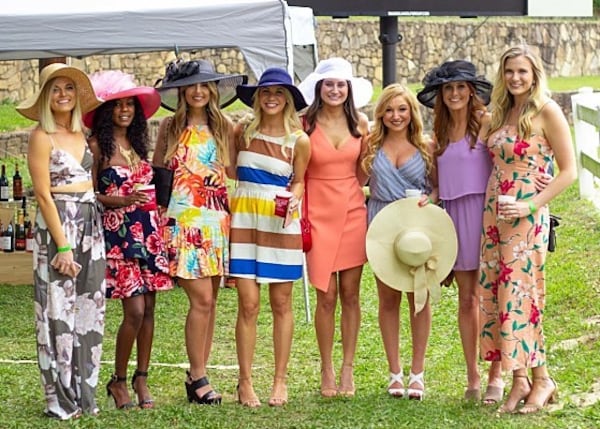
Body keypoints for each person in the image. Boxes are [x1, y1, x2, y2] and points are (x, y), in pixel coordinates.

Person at [479, 44, 576, 414]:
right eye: (509, 72)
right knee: (500, 298)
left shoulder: (547, 111)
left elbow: (568, 171)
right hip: (494, 214)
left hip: (525, 215)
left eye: (522, 71)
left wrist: (531, 203)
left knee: (523, 298)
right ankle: (519, 379)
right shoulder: (502, 111)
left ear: (534, 73)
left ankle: (544, 379)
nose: (515, 78)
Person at [153, 59, 246, 405]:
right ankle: (197, 375)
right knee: (201, 300)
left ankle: (198, 374)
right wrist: (161, 224)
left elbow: (233, 170)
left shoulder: (225, 127)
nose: (197, 91)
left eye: (204, 85)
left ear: (213, 90)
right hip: (183, 222)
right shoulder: (169, 127)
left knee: (212, 302)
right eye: (191, 85)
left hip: (216, 221)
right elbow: (159, 175)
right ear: (180, 91)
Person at [16, 63, 106, 420]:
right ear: (44, 96)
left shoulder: (82, 133)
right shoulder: (42, 136)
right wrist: (63, 246)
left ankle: (85, 392)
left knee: (90, 306)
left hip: (89, 221)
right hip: (59, 226)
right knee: (57, 307)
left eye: (69, 88)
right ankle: (59, 396)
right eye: (55, 89)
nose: (63, 95)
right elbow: (42, 193)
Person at [416, 60, 504, 402]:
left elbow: (508, 159)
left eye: (460, 87)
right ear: (441, 95)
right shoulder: (436, 136)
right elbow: (439, 185)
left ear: (471, 91)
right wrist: (427, 202)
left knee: (492, 298)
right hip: (454, 218)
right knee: (467, 300)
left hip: (487, 214)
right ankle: (473, 377)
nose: (454, 94)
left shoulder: (485, 122)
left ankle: (497, 374)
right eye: (448, 88)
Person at [85, 70, 173, 409]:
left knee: (149, 307)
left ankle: (142, 377)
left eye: (130, 105)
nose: (125, 110)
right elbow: (89, 194)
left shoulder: (138, 144)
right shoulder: (95, 146)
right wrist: (119, 201)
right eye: (118, 105)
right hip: (118, 236)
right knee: (134, 310)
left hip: (149, 232)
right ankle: (119, 380)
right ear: (107, 111)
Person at [230, 67, 310, 407]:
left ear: (288, 99)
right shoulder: (242, 132)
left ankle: (280, 380)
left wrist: (295, 196)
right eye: (266, 92)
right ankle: (245, 382)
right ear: (258, 98)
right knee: (248, 303)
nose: (272, 98)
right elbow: (232, 171)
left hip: (280, 224)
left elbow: (300, 181)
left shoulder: (299, 140)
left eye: (279, 93)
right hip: (245, 221)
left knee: (281, 303)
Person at [297, 57, 372, 397]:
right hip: (317, 214)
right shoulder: (304, 124)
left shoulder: (361, 123)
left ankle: (347, 370)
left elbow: (364, 172)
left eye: (341, 84)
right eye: (329, 84)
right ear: (318, 87)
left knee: (351, 294)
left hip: (353, 211)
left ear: (349, 89)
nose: (335, 90)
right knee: (325, 297)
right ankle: (326, 368)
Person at [361, 83, 434, 400]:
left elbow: (438, 188)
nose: (395, 115)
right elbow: (355, 181)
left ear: (411, 113)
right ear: (381, 114)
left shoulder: (426, 146)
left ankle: (417, 374)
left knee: (419, 299)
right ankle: (395, 373)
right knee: (387, 298)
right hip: (380, 224)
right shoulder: (370, 146)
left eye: (402, 109)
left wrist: (428, 200)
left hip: (418, 227)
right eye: (389, 110)